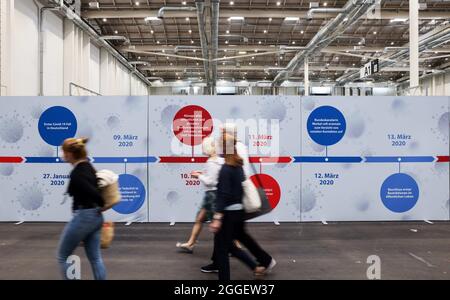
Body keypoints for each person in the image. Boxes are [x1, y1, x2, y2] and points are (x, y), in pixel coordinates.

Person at [205, 133, 276, 280]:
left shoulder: (225, 169)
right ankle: (259, 265)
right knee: (232, 244)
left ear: (224, 149)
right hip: (239, 213)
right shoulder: (239, 166)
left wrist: (217, 218)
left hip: (228, 215)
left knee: (223, 250)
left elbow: (224, 194)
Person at [57, 137, 106, 280]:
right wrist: (99, 205)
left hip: (84, 217)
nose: (62, 155)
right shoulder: (88, 166)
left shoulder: (77, 173)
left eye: (63, 152)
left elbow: (92, 191)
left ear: (70, 154)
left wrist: (100, 201)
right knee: (95, 258)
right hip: (96, 217)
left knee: (62, 255)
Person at [176, 136, 224, 253]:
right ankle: (190, 243)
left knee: (218, 225)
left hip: (211, 196)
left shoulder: (210, 162)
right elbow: (215, 176)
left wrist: (198, 176)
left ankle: (234, 247)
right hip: (214, 195)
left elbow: (210, 181)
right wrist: (203, 173)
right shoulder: (220, 160)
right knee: (200, 219)